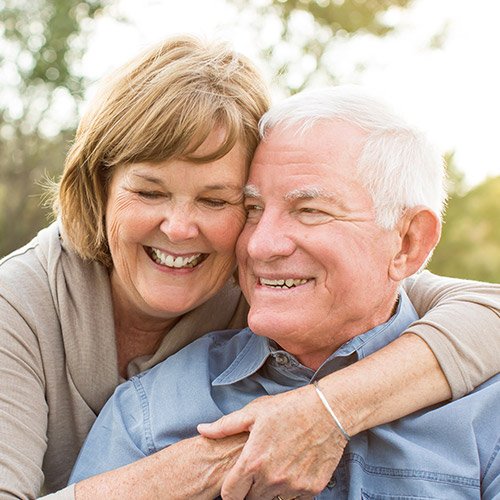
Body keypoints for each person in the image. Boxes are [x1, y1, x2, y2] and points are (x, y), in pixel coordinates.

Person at [0, 35, 498, 500]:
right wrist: (229, 456)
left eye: (219, 200)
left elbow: (486, 311)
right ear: (100, 190)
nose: (178, 228)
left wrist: (324, 411)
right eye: (149, 192)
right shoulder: (26, 312)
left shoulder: (256, 275)